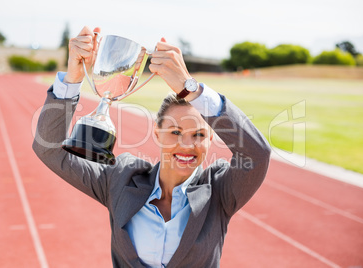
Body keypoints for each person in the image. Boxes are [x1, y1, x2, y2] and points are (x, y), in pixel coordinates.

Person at [32, 26, 271, 268]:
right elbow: (49, 150)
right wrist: (73, 78)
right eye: (175, 132)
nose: (187, 145)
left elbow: (257, 154)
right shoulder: (121, 181)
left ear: (211, 138)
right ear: (157, 134)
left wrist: (193, 90)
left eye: (198, 134)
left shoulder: (220, 192)